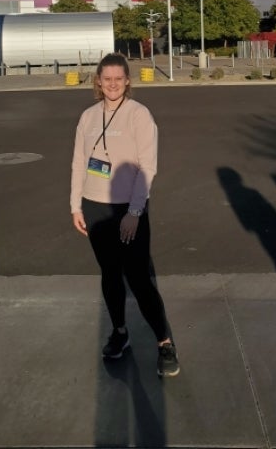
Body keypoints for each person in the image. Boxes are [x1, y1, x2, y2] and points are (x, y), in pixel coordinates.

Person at [70, 53, 180, 377]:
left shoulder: (139, 115)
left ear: (128, 81)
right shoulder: (88, 117)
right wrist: (76, 205)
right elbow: (79, 162)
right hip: (94, 206)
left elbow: (148, 167)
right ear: (98, 82)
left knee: (138, 278)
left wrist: (134, 211)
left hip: (128, 209)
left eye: (119, 79)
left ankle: (164, 342)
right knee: (109, 275)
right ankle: (120, 332)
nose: (113, 84)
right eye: (107, 79)